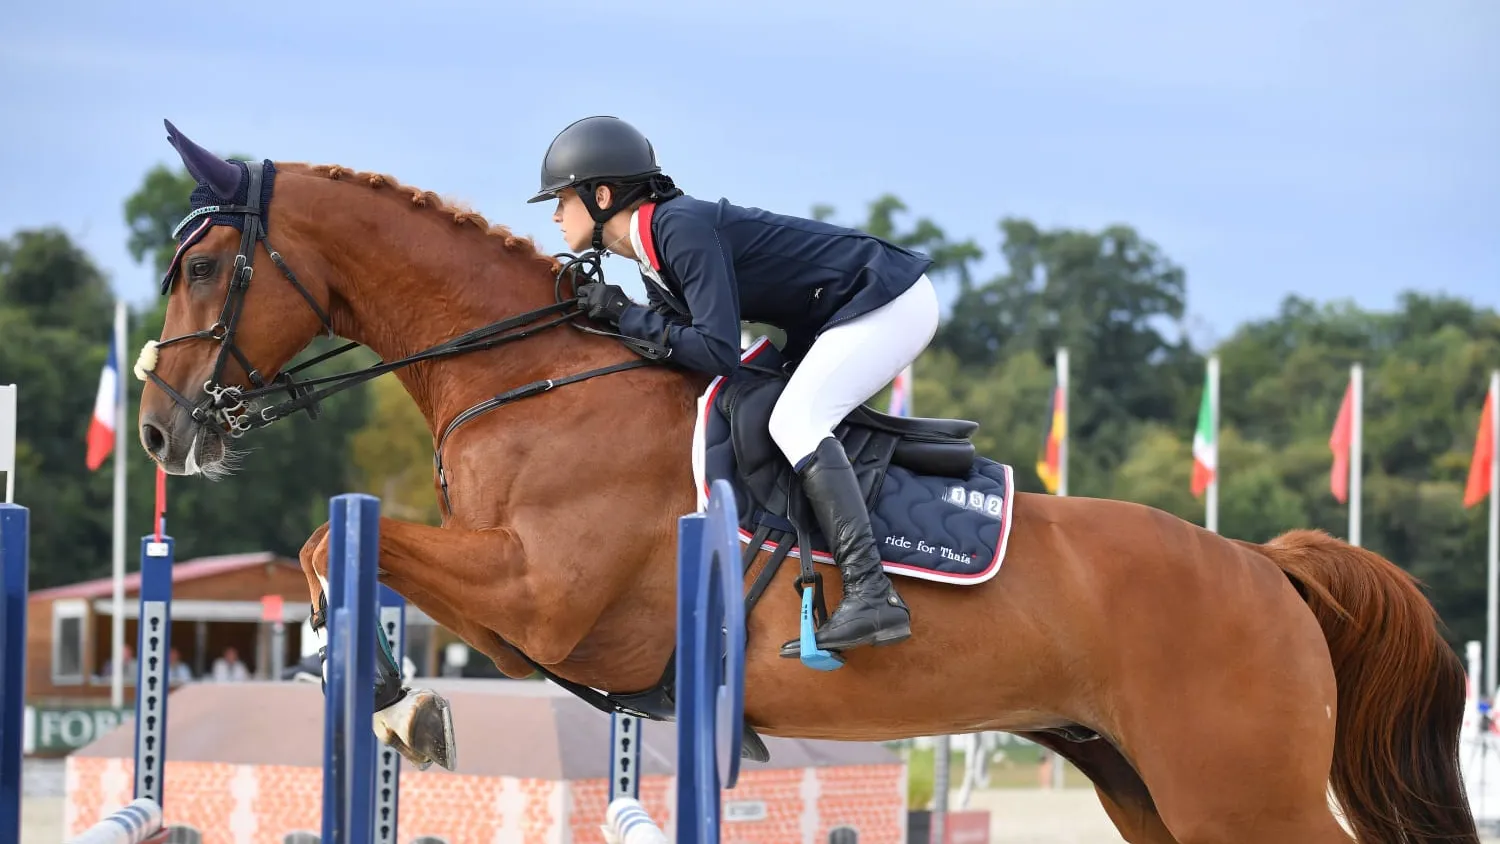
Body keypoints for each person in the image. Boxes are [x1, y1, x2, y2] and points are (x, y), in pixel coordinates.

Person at [527, 115, 940, 655]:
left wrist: (624, 315)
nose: (556, 215)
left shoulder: (678, 228)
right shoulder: (652, 254)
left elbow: (716, 348)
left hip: (887, 301)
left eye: (563, 199)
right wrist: (614, 322)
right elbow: (683, 354)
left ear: (601, 194)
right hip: (836, 316)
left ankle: (870, 590)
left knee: (795, 420)